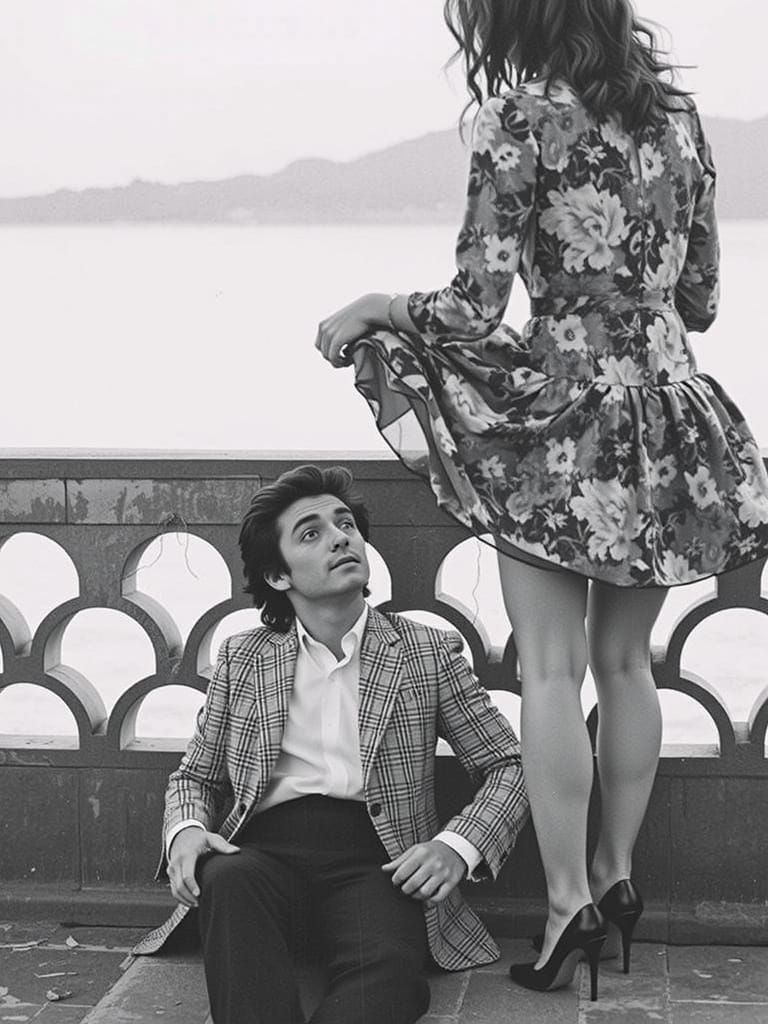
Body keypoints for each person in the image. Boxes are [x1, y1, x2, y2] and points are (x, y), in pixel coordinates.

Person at [315, 0, 768, 1004]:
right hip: (668, 417)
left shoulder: (523, 118)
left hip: (561, 427)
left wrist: (379, 307)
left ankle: (568, 905)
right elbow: (701, 302)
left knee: (554, 668)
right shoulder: (681, 120)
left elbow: (474, 307)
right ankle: (620, 874)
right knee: (625, 661)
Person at [132, 464, 528, 1024]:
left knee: (389, 976)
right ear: (277, 575)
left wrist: (455, 848)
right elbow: (196, 778)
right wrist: (186, 832)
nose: (341, 536)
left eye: (345, 524)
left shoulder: (426, 651)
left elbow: (509, 765)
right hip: (261, 856)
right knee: (228, 879)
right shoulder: (244, 656)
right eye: (311, 533)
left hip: (379, 863)